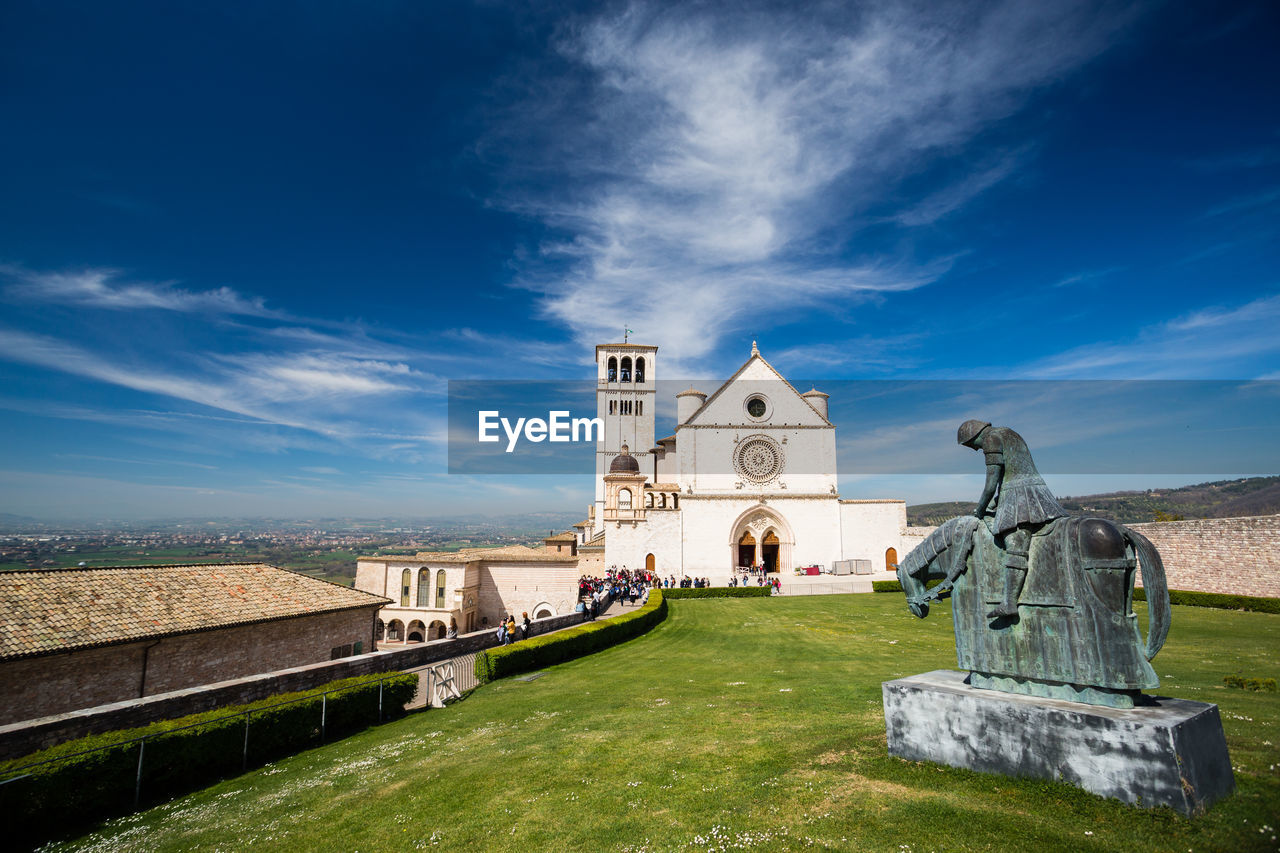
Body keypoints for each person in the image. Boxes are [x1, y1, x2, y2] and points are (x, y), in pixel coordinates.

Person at [958, 419, 1068, 618]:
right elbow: (1012, 470)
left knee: (1015, 544)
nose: (974, 449)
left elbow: (992, 482)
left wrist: (980, 508)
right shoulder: (1007, 433)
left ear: (975, 436)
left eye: (971, 445)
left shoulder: (991, 439)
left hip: (1019, 494)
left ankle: (1009, 602)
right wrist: (996, 503)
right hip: (1032, 490)